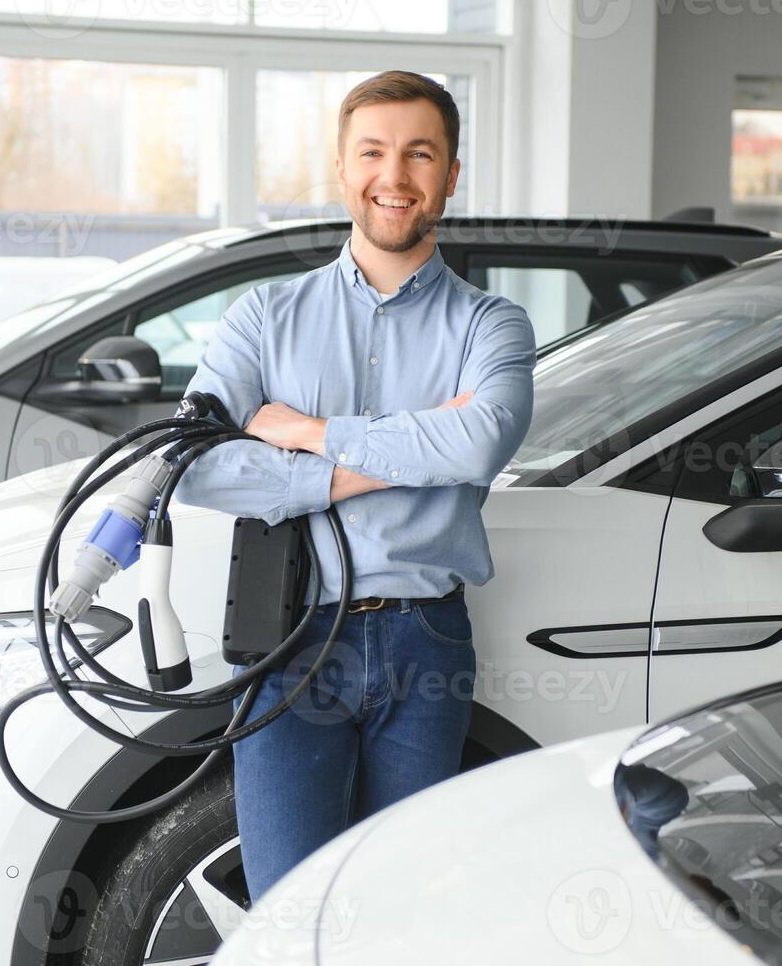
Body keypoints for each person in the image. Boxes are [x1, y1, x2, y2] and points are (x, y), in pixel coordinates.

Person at [175, 69, 536, 901]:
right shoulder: (263, 316)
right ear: (343, 168)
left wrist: (306, 434)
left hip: (425, 642)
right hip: (289, 642)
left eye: (419, 154)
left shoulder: (492, 324)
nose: (394, 176)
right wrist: (394, 458)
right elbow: (191, 462)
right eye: (373, 151)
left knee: (403, 904)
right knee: (286, 904)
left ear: (449, 174)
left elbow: (478, 443)